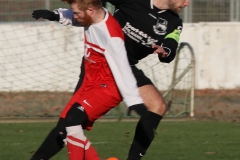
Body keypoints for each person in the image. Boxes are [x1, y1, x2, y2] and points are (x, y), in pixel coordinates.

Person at [30, 0, 146, 159]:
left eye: (77, 13)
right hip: (90, 82)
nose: (75, 16)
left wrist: (134, 101)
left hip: (108, 88)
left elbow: (123, 69)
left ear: (90, 10)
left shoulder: (111, 35)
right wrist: (55, 15)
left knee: (72, 122)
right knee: (63, 128)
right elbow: (74, 15)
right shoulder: (92, 16)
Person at [99, 0, 189, 159]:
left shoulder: (175, 22)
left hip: (126, 67)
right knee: (78, 118)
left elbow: (171, 45)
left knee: (157, 106)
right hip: (103, 61)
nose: (187, 4)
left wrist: (165, 51)